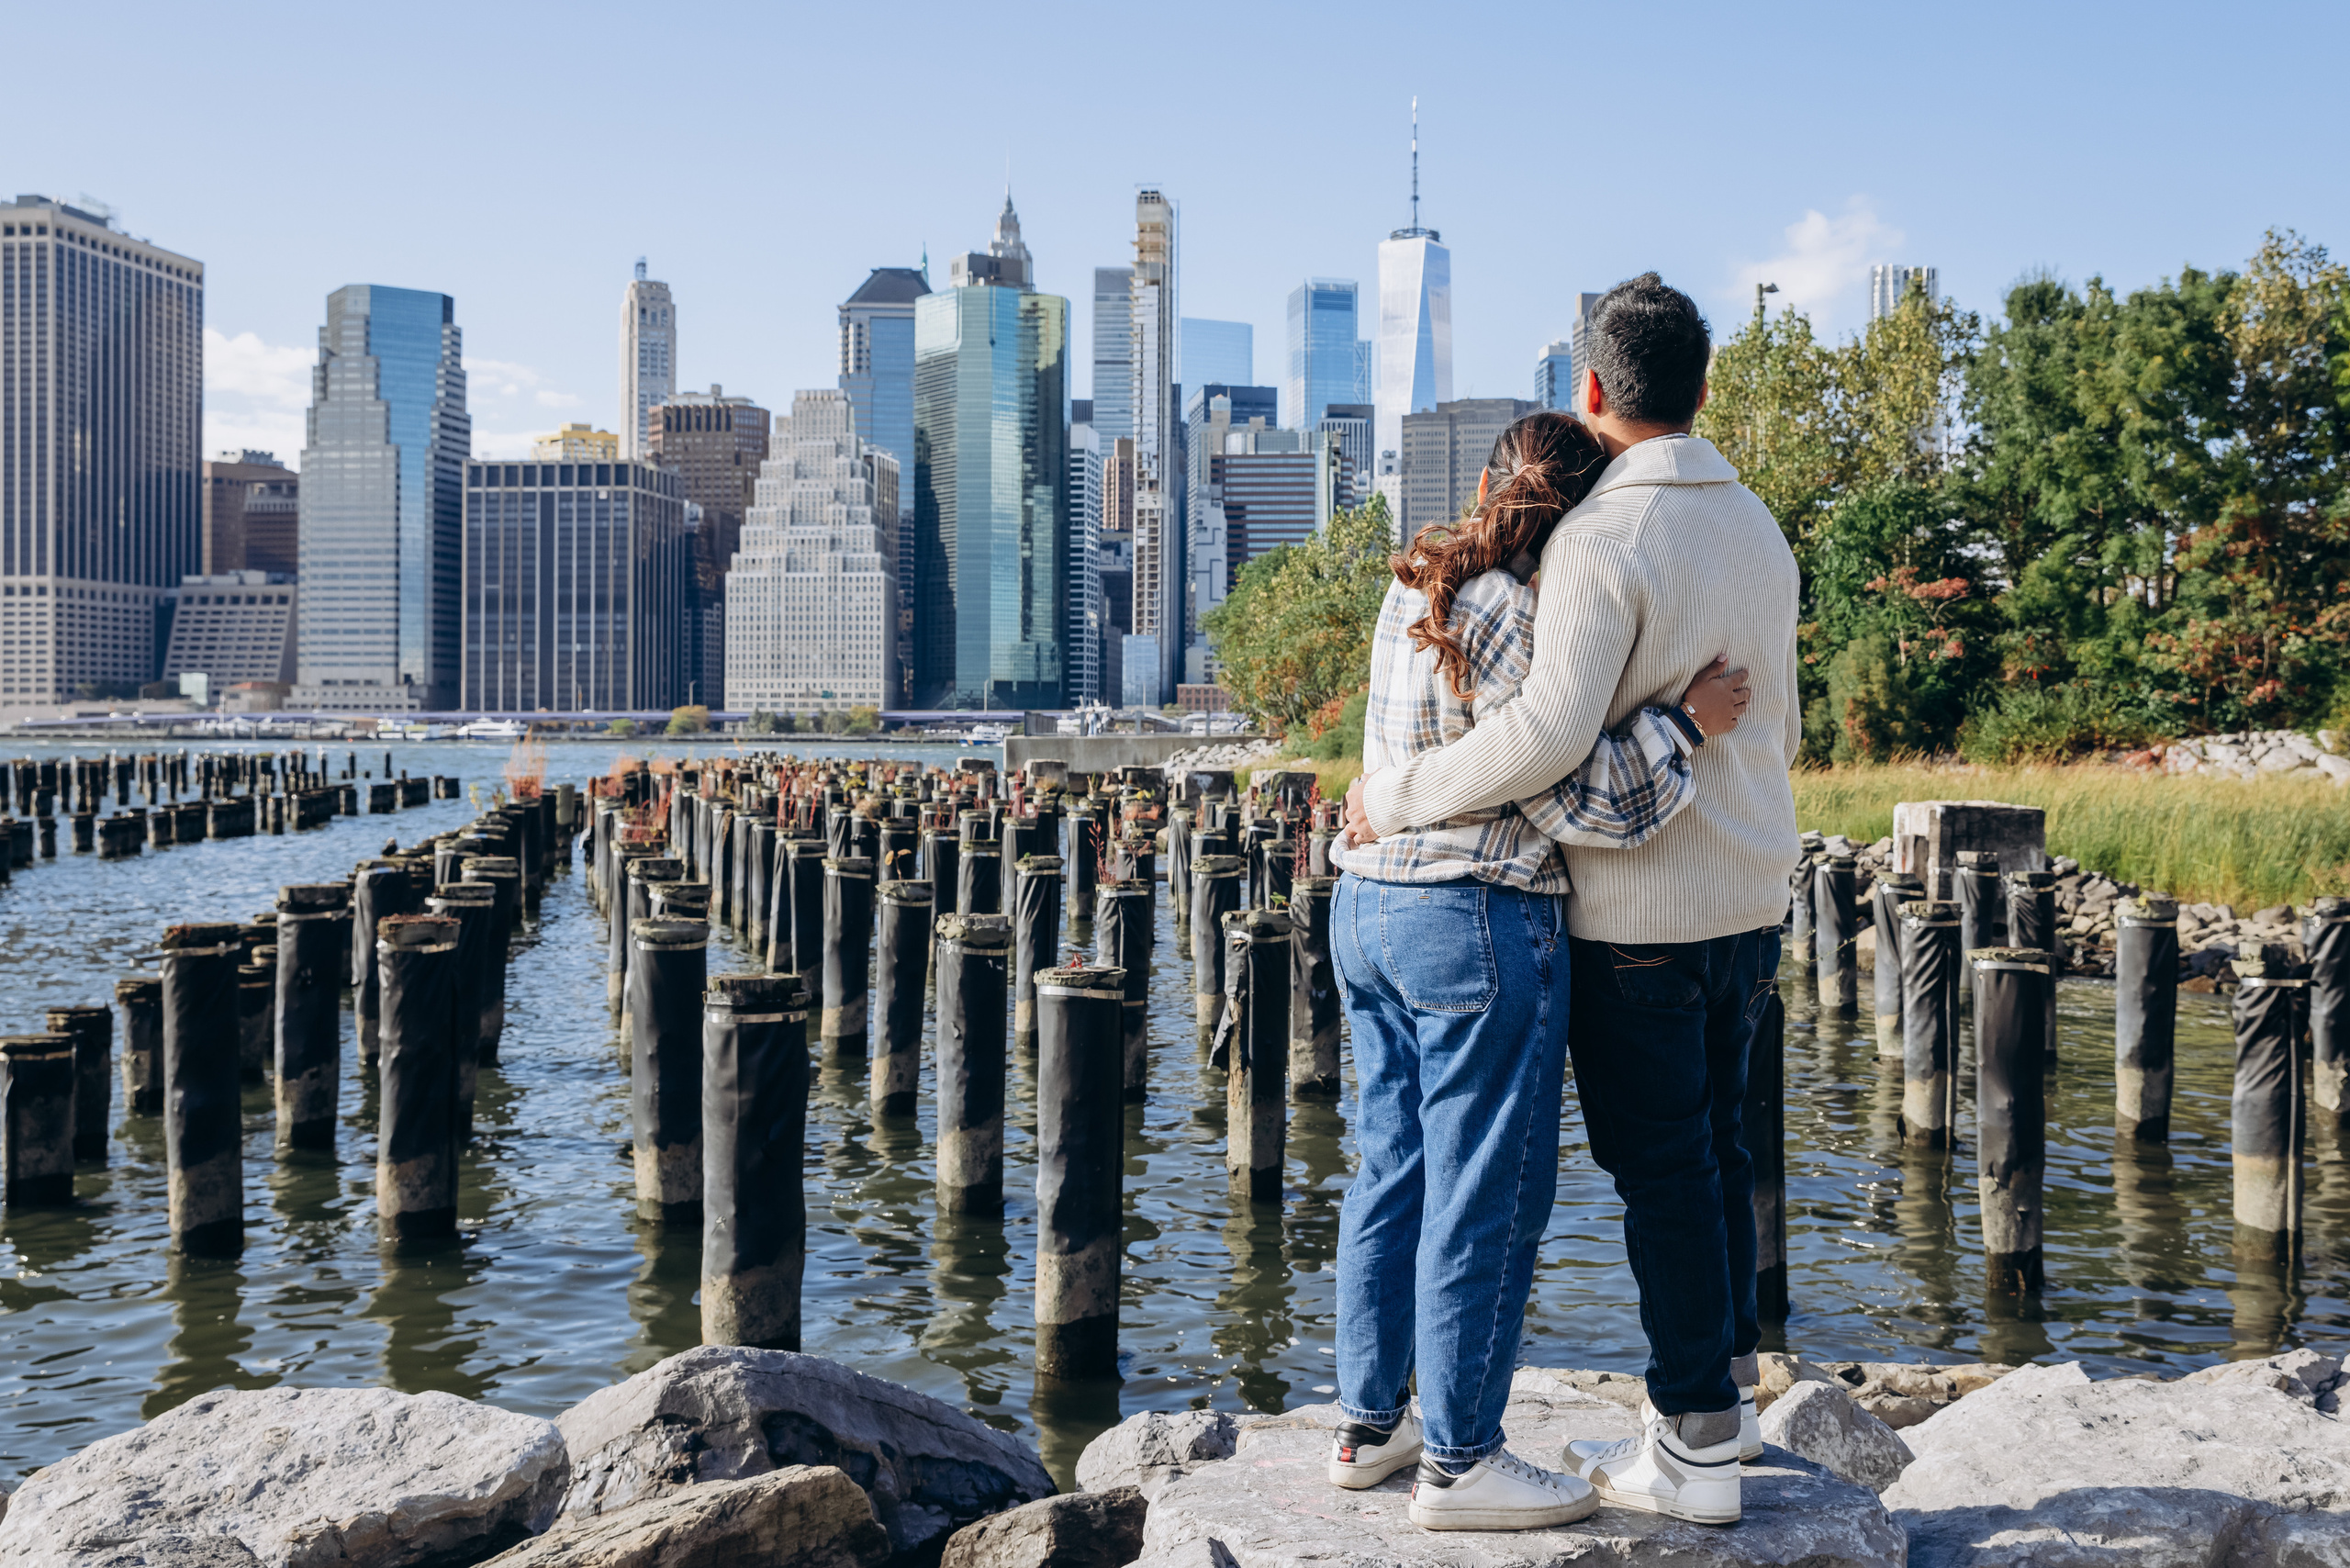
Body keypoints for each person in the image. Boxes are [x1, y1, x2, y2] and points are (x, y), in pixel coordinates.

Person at [1343, 273, 1802, 1528]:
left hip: (1637, 909)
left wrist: (1399, 793)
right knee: (1717, 1148)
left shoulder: (1599, 543)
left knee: (1657, 1172)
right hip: (1752, 892)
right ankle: (1720, 1404)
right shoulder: (1760, 527)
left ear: (1591, 388)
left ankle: (1696, 1454)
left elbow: (1544, 736)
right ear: (1701, 391)